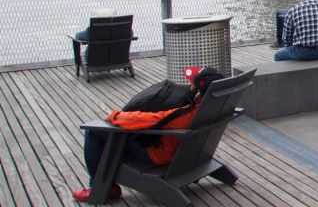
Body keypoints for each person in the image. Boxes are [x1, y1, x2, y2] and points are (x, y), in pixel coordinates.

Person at [72, 66, 224, 203]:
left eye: (192, 85)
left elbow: (152, 120)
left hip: (159, 156)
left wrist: (115, 116)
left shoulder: (186, 115)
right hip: (188, 155)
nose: (189, 86)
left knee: (96, 131)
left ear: (199, 91)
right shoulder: (216, 108)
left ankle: (99, 187)